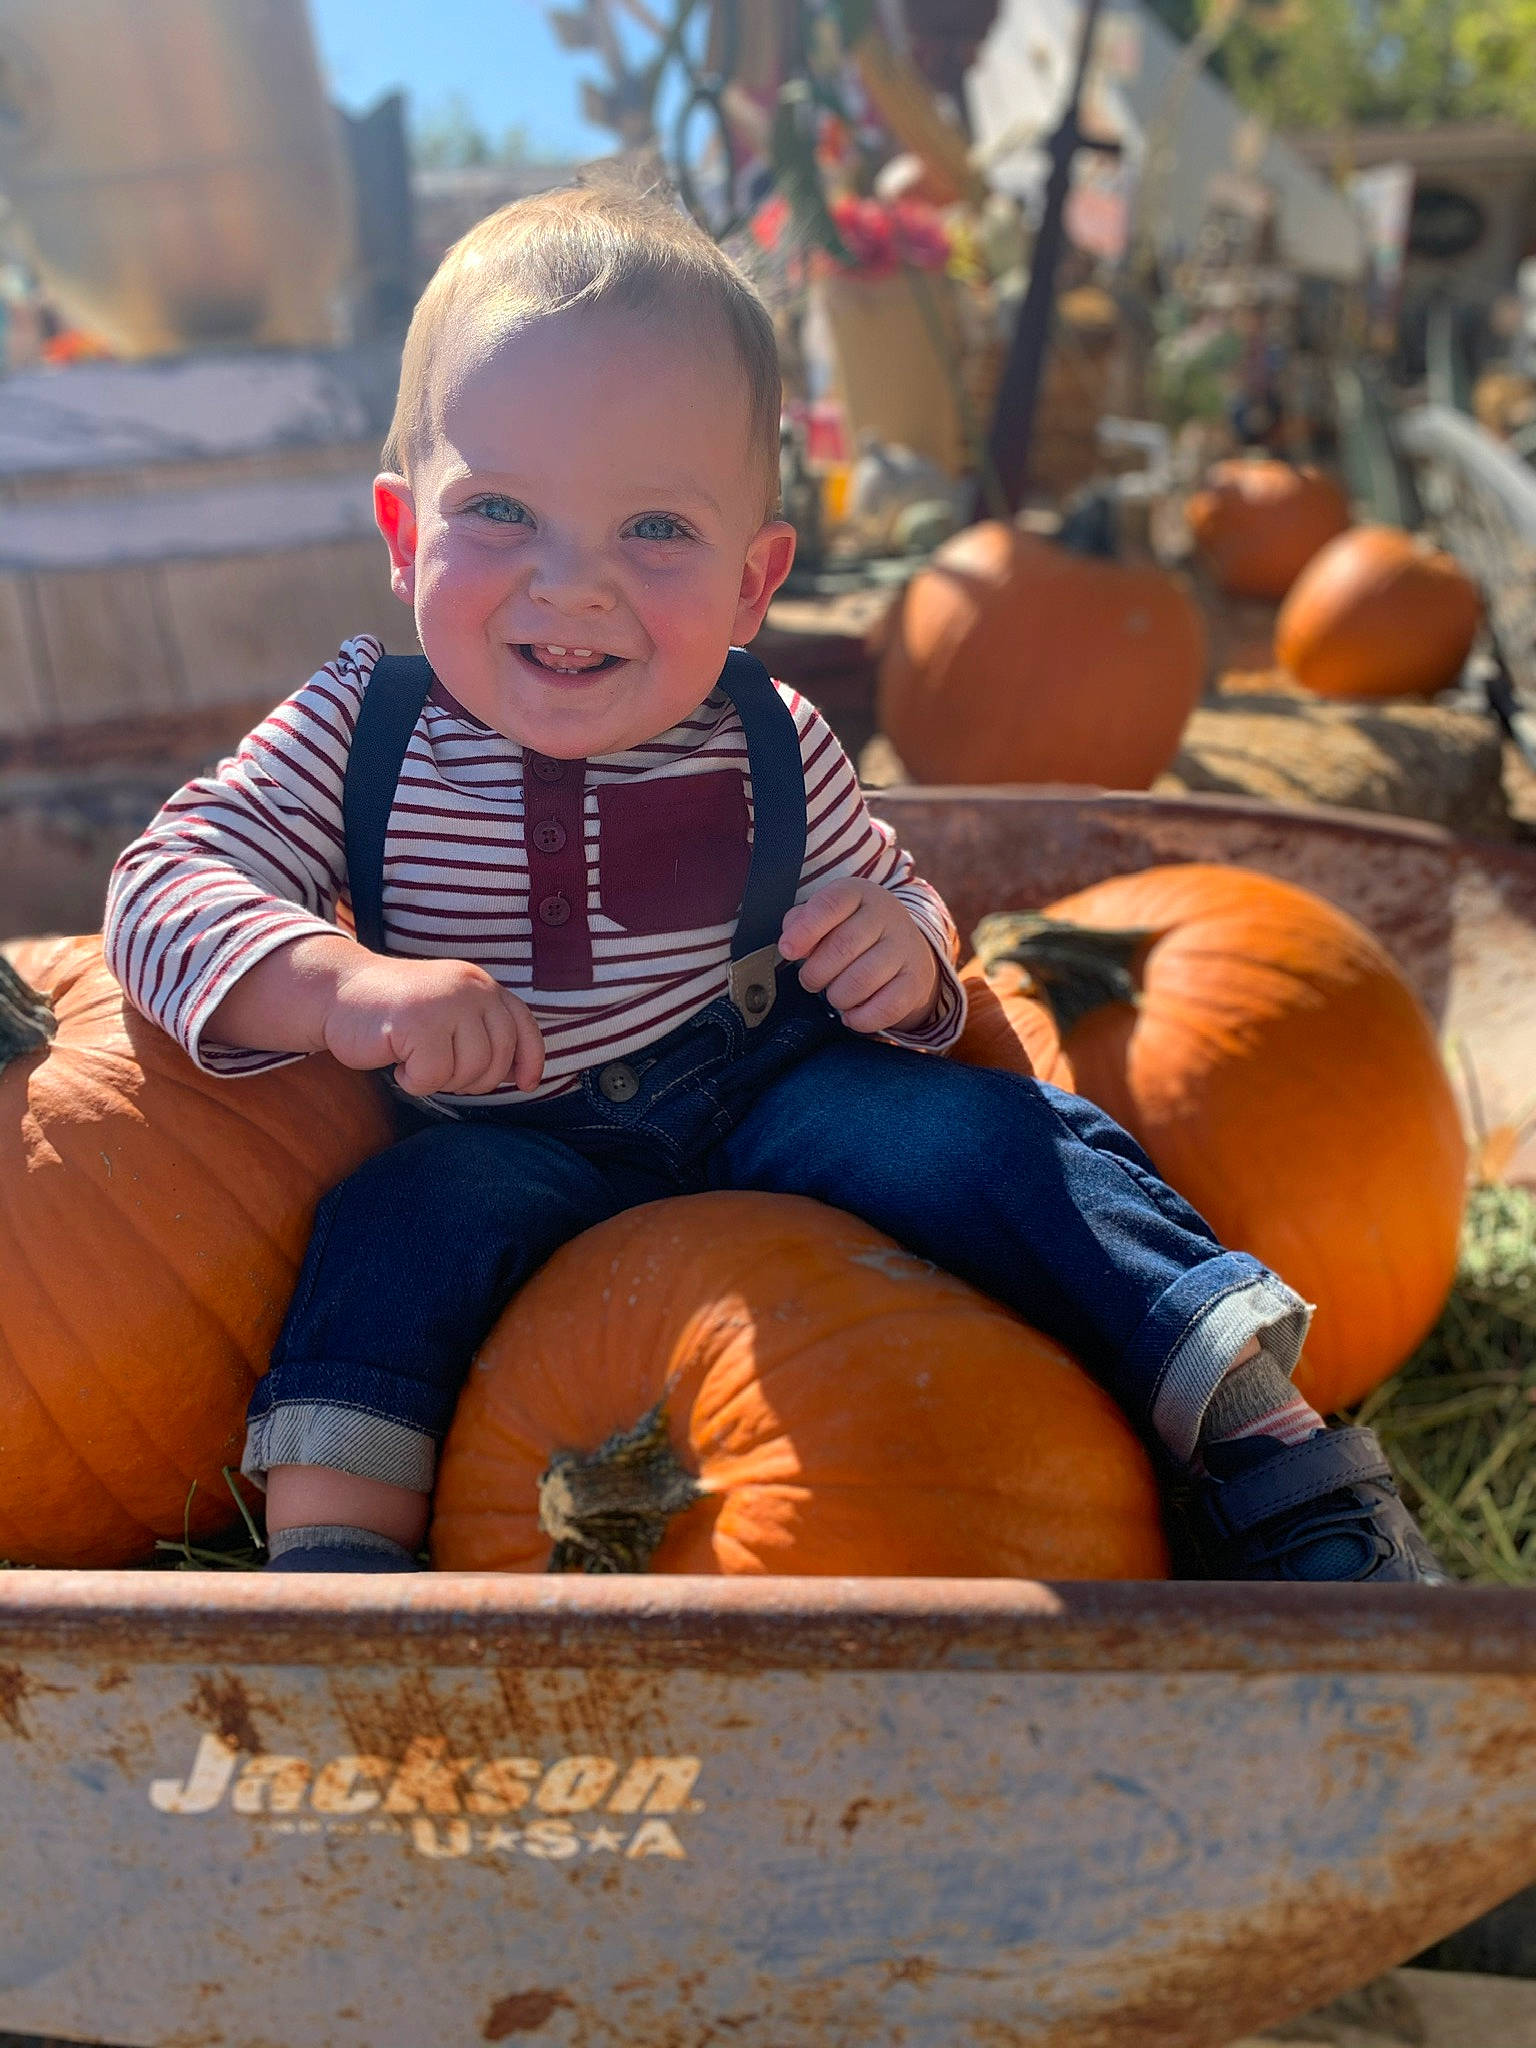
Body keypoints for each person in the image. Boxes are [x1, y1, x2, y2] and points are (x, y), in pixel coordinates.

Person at [104, 181, 1442, 1583]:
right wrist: (341, 985)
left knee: (997, 1147)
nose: (573, 585)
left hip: (760, 1089)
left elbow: (906, 898)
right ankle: (337, 1595)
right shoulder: (357, 728)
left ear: (753, 585)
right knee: (391, 1234)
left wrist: (905, 955)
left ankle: (1273, 1461)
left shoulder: (770, 739)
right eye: (499, 510)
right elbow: (166, 879)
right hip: (502, 1131)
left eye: (656, 532)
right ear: (400, 533)